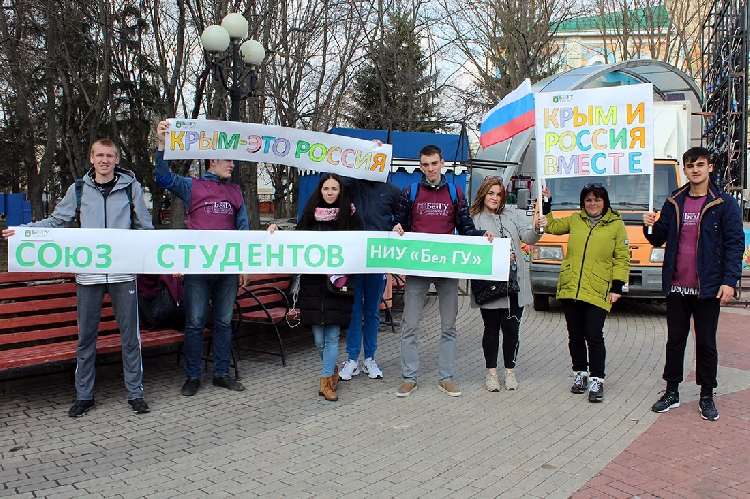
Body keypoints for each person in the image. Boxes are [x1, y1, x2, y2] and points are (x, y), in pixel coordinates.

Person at [2, 139, 154, 417]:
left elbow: (146, 227)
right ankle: (85, 396)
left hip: (123, 274)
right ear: (92, 159)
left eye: (109, 155)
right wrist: (23, 232)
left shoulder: (131, 188)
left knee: (130, 337)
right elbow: (56, 222)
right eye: (99, 155)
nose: (104, 160)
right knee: (86, 338)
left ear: (116, 159)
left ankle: (135, 393)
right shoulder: (79, 189)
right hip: (88, 275)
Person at [643, 147, 744, 421]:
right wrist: (650, 225)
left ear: (710, 167)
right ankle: (672, 391)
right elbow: (657, 238)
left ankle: (707, 395)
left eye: (700, 164)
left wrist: (730, 281)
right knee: (675, 340)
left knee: (706, 343)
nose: (695, 169)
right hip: (677, 286)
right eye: (690, 165)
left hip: (708, 288)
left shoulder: (724, 204)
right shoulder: (674, 201)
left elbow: (735, 244)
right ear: (685, 170)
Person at [155, 120, 249, 396]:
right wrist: (162, 146)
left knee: (223, 322)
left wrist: (243, 265)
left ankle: (221, 373)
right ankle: (193, 376)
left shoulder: (235, 191)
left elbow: (242, 229)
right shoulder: (191, 186)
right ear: (212, 160)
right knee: (195, 323)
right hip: (197, 266)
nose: (232, 164)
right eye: (227, 159)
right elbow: (163, 178)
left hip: (228, 267)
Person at [392, 144, 494, 398]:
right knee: (410, 325)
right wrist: (396, 228)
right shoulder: (411, 191)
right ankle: (409, 378)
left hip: (448, 268)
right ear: (420, 166)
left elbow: (467, 228)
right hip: (418, 267)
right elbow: (398, 223)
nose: (430, 169)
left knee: (449, 326)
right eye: (425, 165)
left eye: (434, 163)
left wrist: (483, 235)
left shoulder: (455, 193)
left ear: (442, 163)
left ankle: (445, 378)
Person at [269, 173, 363, 401]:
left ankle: (325, 383)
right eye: (326, 189)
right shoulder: (310, 215)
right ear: (320, 191)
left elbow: (361, 245)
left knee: (331, 337)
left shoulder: (351, 217)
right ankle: (332, 372)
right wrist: (277, 232)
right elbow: (297, 241)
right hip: (312, 284)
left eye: (334, 189)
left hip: (337, 285)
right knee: (318, 339)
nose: (330, 193)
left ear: (340, 191)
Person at [543, 182, 630, 402]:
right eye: (588, 200)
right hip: (572, 287)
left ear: (604, 202)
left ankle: (597, 379)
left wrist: (618, 286)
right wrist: (546, 204)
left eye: (597, 199)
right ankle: (580, 373)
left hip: (598, 288)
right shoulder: (576, 219)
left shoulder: (616, 224)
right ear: (583, 202)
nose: (593, 204)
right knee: (575, 335)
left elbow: (622, 256)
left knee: (593, 334)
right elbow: (551, 227)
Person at [469, 177, 546, 391]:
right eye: (490, 193)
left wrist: (538, 228)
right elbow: (471, 249)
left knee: (512, 329)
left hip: (514, 284)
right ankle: (491, 373)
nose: (494, 198)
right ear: (483, 194)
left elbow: (528, 238)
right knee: (491, 329)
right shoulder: (475, 219)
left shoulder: (513, 214)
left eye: (499, 194)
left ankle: (510, 371)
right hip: (490, 285)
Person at [339, 170, 401, 381]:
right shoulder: (352, 184)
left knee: (373, 310)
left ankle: (370, 359)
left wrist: (397, 226)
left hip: (377, 258)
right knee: (354, 310)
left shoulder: (391, 190)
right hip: (355, 258)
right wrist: (360, 158)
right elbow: (337, 180)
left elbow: (401, 218)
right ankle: (352, 359)